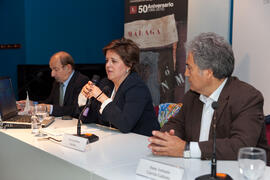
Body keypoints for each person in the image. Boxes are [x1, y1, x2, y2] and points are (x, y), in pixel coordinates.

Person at [148, 32, 270, 163]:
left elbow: (240, 146)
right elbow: (175, 124)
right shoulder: (192, 96)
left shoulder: (247, 98)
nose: (186, 73)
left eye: (189, 67)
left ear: (208, 72)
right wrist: (167, 141)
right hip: (197, 169)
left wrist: (186, 149)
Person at [78, 38, 160, 136]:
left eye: (114, 61)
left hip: (143, 143)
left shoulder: (137, 87)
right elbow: (87, 119)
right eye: (107, 60)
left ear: (129, 65)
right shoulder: (106, 83)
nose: (108, 65)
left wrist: (102, 97)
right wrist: (83, 97)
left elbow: (125, 124)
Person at [19, 51, 89, 117]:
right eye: (51, 69)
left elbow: (76, 109)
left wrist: (48, 108)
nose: (52, 74)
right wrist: (34, 104)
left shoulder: (82, 81)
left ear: (68, 68)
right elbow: (50, 102)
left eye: (56, 69)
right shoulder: (57, 82)